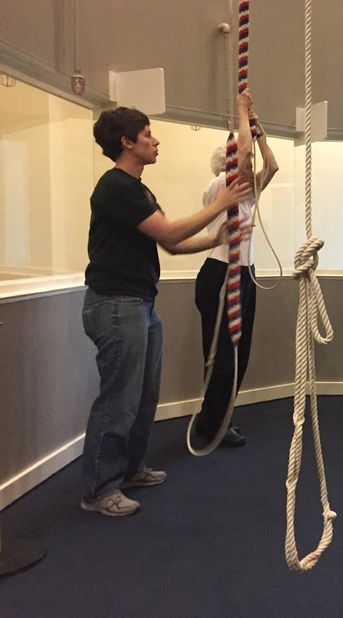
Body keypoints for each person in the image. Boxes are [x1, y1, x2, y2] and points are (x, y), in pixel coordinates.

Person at [81, 106, 252, 517]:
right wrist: (222, 204)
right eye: (148, 135)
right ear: (127, 142)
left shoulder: (139, 190)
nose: (156, 141)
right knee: (119, 398)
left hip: (138, 302)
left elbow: (173, 245)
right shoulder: (116, 187)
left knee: (143, 395)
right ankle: (99, 489)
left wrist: (219, 235)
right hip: (116, 304)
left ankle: (130, 468)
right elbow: (172, 232)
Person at [193, 92, 279, 447]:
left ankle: (219, 418)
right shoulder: (220, 187)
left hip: (242, 274)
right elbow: (242, 157)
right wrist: (243, 113)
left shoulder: (248, 194)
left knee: (238, 354)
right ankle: (210, 425)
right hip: (219, 274)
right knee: (222, 357)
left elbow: (272, 167)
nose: (248, 166)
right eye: (241, 164)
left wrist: (259, 133)